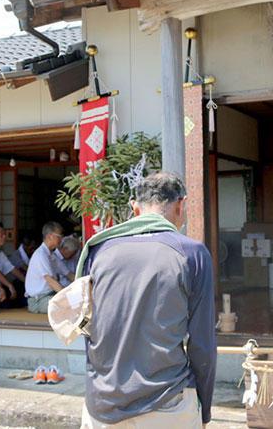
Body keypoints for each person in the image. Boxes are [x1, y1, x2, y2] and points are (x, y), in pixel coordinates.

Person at [79, 172, 215, 428]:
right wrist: (204, 410)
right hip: (167, 403)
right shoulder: (192, 254)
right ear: (181, 205)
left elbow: (88, 332)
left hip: (102, 405)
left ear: (135, 208)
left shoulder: (98, 251)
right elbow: (202, 345)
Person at [24, 222, 65, 313]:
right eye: (59, 236)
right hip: (38, 300)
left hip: (49, 296)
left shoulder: (52, 255)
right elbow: (51, 281)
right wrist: (67, 296)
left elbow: (68, 273)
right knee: (66, 306)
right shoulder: (40, 254)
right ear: (50, 236)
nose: (61, 239)